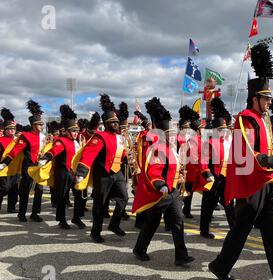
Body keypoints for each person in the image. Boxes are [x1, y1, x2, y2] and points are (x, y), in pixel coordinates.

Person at [208, 42, 273, 280]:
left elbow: (265, 149)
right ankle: (220, 265)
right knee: (241, 231)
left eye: (270, 98)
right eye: (267, 98)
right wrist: (271, 160)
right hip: (251, 184)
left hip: (267, 182)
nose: (270, 103)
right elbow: (246, 152)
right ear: (255, 98)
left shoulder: (262, 120)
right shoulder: (245, 119)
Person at [132, 97, 195, 266]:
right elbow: (154, 171)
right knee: (152, 223)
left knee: (178, 221)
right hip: (161, 193)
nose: (174, 137)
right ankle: (139, 249)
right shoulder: (158, 148)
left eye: (174, 134)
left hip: (173, 192)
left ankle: (181, 256)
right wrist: (160, 183)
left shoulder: (173, 148)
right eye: (171, 135)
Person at [75, 94, 128, 243]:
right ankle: (95, 232)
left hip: (117, 173)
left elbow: (121, 153)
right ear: (106, 123)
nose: (116, 124)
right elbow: (88, 154)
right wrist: (81, 172)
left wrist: (127, 157)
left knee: (123, 198)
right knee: (100, 205)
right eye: (113, 122)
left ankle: (114, 225)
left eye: (117, 122)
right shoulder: (100, 136)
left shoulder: (119, 137)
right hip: (103, 174)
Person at [38, 105, 86, 229]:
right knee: (62, 197)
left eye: (77, 131)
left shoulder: (76, 141)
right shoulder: (61, 141)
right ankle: (62, 220)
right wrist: (45, 159)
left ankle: (76, 218)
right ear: (67, 131)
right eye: (73, 131)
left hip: (74, 173)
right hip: (63, 173)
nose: (76, 133)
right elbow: (54, 151)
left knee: (79, 196)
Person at [0, 100, 46, 222]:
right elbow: (15, 151)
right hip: (28, 166)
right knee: (25, 190)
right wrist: (4, 163)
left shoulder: (43, 137)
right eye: (39, 124)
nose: (42, 126)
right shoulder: (26, 136)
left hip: (40, 166)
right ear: (33, 125)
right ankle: (21, 213)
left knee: (39, 190)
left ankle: (35, 213)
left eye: (42, 124)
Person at [200, 97, 234, 238]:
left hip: (227, 176)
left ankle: (235, 229)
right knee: (208, 205)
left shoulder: (230, 140)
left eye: (225, 129)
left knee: (229, 204)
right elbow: (203, 160)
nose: (224, 132)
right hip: (214, 176)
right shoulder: (210, 142)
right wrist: (207, 173)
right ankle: (204, 230)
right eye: (221, 130)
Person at [0, 108, 19, 214]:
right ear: (5, 130)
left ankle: (11, 207)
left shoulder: (17, 141)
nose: (12, 130)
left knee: (14, 189)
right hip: (3, 168)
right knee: (4, 188)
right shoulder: (0, 140)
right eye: (10, 128)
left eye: (13, 128)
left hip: (15, 168)